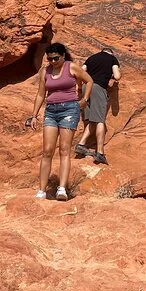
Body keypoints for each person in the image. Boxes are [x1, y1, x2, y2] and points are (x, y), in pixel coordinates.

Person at [28, 43, 94, 200]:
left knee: (64, 149)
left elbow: (89, 81)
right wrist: (34, 115)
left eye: (56, 58)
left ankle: (62, 189)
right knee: (47, 150)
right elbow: (41, 94)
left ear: (63, 56)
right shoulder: (45, 71)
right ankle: (42, 190)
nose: (53, 61)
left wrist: (84, 99)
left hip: (69, 110)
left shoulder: (71, 67)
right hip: (51, 111)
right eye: (49, 59)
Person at [74, 48, 121, 165]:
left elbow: (80, 72)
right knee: (100, 120)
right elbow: (117, 76)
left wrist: (79, 87)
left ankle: (81, 144)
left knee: (92, 120)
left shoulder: (91, 58)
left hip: (86, 87)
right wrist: (111, 78)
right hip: (98, 87)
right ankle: (100, 153)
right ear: (111, 53)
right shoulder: (112, 59)